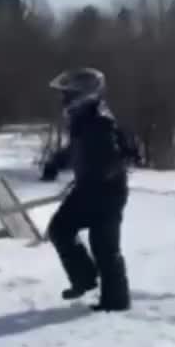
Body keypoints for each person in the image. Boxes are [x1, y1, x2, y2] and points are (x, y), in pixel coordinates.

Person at [40, 67, 141, 312]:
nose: (63, 99)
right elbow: (77, 149)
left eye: (68, 94)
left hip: (104, 191)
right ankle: (94, 285)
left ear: (83, 94)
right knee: (73, 233)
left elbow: (116, 154)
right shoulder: (87, 117)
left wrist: (103, 170)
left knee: (92, 241)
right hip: (94, 189)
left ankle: (108, 295)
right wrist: (56, 162)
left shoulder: (99, 121)